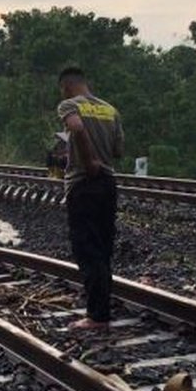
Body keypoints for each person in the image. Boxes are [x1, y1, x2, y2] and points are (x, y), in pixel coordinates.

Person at [56, 67, 124, 330]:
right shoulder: (110, 110)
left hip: (83, 184)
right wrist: (100, 154)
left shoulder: (69, 105)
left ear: (65, 87)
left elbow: (75, 126)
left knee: (87, 249)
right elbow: (118, 150)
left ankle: (97, 316)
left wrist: (88, 158)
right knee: (103, 248)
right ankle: (102, 308)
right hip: (109, 184)